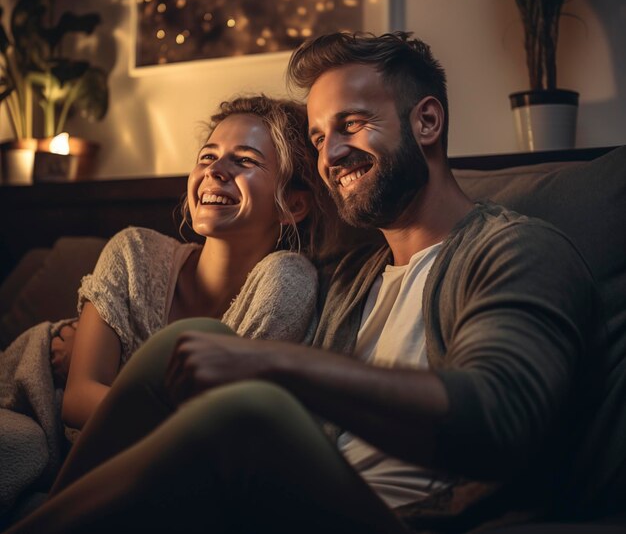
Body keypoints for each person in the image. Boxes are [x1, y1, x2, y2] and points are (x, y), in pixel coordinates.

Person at [5, 33, 601, 534]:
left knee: (249, 410)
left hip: (411, 519)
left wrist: (273, 367)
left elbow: (498, 420)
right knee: (178, 344)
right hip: (286, 500)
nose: (332, 155)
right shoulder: (347, 278)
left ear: (426, 121)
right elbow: (262, 246)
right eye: (318, 138)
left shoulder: (516, 249)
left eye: (353, 124)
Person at [53, 94, 322, 431]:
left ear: (293, 206)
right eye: (207, 156)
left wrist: (117, 382)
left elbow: (220, 427)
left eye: (244, 160)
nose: (214, 170)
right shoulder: (133, 251)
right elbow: (76, 400)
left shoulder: (289, 282)